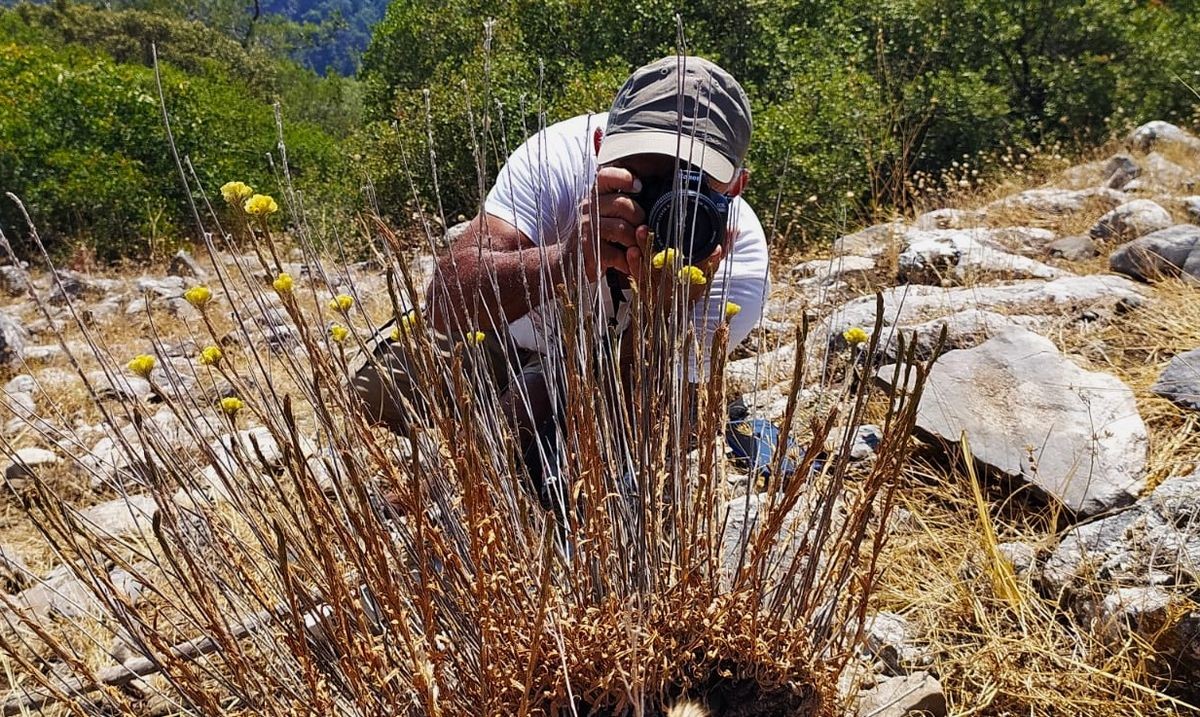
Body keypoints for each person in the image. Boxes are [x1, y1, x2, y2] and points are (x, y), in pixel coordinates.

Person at [352, 55, 769, 491]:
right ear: (599, 145)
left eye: (689, 186)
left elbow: (625, 413)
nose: (664, 208)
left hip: (610, 367)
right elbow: (444, 302)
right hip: (510, 329)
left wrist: (658, 313)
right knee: (373, 396)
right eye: (642, 180)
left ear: (735, 187)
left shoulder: (737, 270)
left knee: (562, 473)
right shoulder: (555, 160)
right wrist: (565, 260)